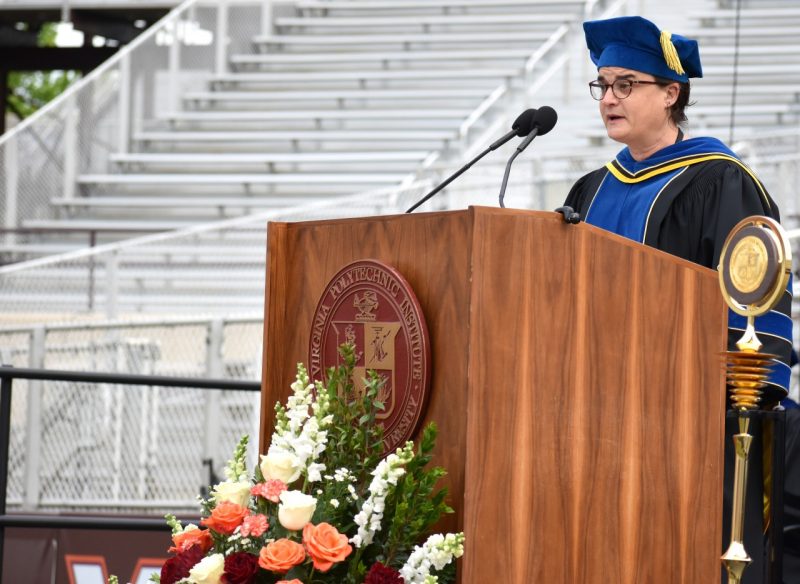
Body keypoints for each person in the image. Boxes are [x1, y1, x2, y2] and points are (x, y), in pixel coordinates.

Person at [562, 15, 795, 583]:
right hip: (586, 416)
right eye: (603, 85)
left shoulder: (719, 182)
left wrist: (743, 395)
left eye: (626, 85)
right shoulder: (589, 190)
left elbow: (754, 301)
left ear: (671, 93)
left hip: (688, 425)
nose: (609, 99)